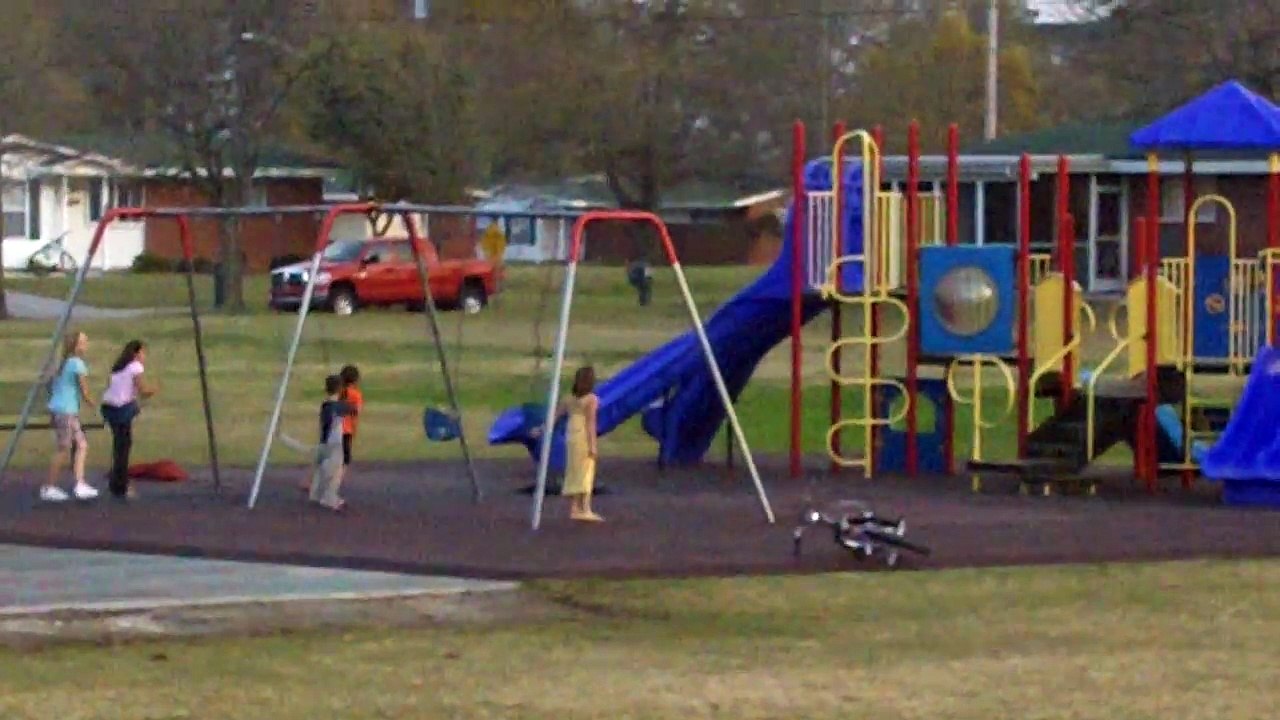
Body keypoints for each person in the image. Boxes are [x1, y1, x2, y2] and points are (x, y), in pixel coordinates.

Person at [41, 331, 99, 502]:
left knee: (81, 445)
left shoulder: (63, 363)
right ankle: (49, 487)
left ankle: (80, 484)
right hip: (66, 411)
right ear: (76, 345)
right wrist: (93, 404)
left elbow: (50, 385)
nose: (86, 345)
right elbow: (84, 390)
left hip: (62, 410)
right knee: (63, 448)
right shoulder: (77, 364)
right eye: (83, 342)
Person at [100, 339, 155, 500]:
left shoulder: (119, 368)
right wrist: (154, 389)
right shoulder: (135, 367)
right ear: (136, 353)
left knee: (119, 445)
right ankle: (121, 485)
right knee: (123, 446)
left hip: (108, 407)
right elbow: (142, 389)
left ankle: (116, 482)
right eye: (143, 352)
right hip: (120, 408)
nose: (145, 356)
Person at [556, 365, 602, 522]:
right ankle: (586, 508)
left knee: (574, 470)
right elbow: (590, 424)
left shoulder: (568, 398)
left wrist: (541, 428)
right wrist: (593, 445)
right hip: (582, 435)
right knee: (586, 471)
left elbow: (556, 416)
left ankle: (575, 507)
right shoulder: (591, 399)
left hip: (571, 434)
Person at [309, 374, 350, 512]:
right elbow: (352, 409)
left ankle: (316, 495)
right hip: (334, 444)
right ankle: (330, 498)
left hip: (323, 442)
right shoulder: (338, 406)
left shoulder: (325, 405)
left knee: (320, 470)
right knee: (335, 472)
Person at [339, 364, 363, 476]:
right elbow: (357, 410)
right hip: (346, 430)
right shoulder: (356, 394)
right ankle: (335, 481)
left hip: (334, 428)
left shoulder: (338, 392)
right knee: (345, 459)